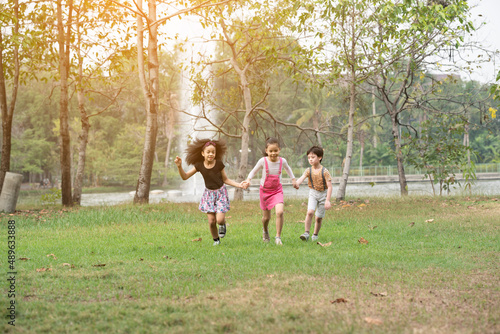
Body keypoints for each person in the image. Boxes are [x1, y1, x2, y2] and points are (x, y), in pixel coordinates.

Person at [175, 139, 245, 246]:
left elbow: (226, 180)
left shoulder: (219, 164)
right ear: (203, 153)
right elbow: (185, 177)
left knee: (220, 220)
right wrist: (179, 166)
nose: (211, 154)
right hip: (209, 195)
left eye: (213, 152)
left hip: (221, 193)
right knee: (212, 221)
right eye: (208, 152)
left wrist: (239, 185)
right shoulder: (199, 165)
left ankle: (222, 225)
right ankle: (216, 240)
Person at [243, 137, 297, 245]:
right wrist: (248, 180)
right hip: (265, 192)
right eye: (271, 151)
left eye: (275, 151)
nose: (273, 153)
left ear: (279, 150)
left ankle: (278, 237)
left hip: (277, 190)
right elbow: (253, 171)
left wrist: (293, 179)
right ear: (266, 151)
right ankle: (265, 230)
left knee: (280, 212)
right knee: (266, 217)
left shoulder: (282, 161)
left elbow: (288, 169)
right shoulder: (263, 161)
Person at [294, 146, 333, 241]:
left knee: (318, 218)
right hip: (313, 193)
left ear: (320, 158)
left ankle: (315, 235)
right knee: (310, 212)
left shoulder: (325, 171)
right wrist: (297, 183)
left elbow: (330, 186)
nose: (310, 160)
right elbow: (302, 178)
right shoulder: (308, 170)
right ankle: (306, 233)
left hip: (323, 195)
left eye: (313, 157)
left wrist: (327, 200)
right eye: (309, 158)